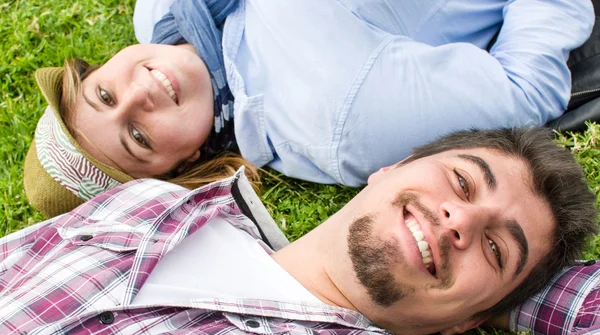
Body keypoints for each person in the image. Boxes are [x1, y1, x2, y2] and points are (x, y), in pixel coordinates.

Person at [2, 126, 597, 335]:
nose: (460, 220)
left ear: (470, 321)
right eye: (462, 182)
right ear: (392, 167)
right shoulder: (151, 203)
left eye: (497, 249)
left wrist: (498, 305)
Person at [24, 0, 595, 218]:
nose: (139, 95)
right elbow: (525, 91)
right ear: (186, 163)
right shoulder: (335, 118)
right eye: (139, 136)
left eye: (104, 92)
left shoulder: (161, 12)